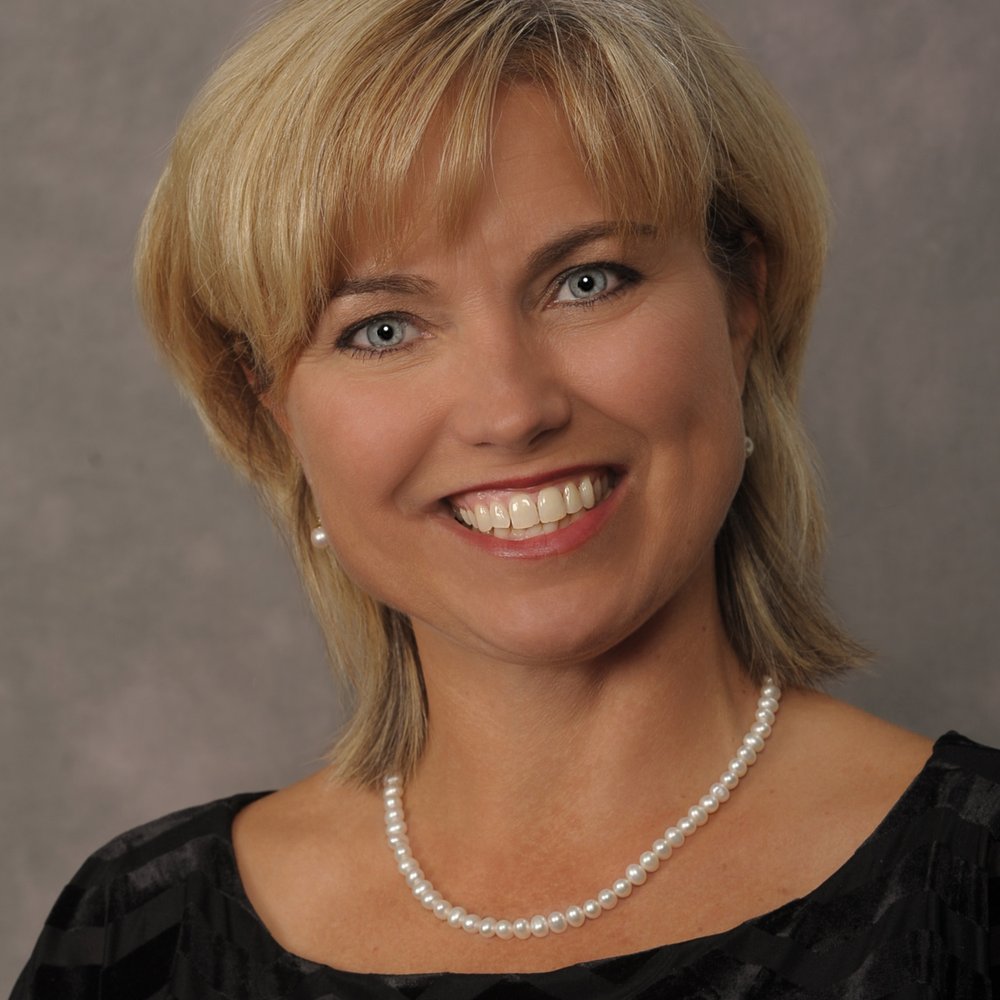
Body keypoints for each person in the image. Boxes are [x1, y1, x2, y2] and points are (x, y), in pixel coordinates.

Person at [14, 0, 999, 996]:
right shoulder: (137, 938)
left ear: (740, 299)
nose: (511, 410)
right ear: (271, 405)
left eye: (587, 281)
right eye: (382, 329)